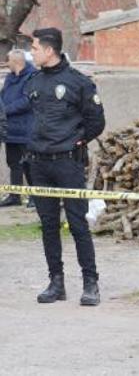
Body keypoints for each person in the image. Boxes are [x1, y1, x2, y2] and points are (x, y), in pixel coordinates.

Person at [25, 28, 105, 306]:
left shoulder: (78, 83)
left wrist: (76, 141)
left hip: (67, 163)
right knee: (48, 225)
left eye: (34, 48)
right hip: (39, 164)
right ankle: (56, 282)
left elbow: (96, 122)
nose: (31, 52)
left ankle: (90, 283)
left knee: (77, 224)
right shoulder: (33, 82)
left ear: (49, 50)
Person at [0, 49, 36, 207]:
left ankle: (36, 196)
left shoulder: (32, 76)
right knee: (13, 163)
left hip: (26, 129)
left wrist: (4, 111)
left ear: (16, 62)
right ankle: (15, 196)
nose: (7, 65)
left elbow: (27, 101)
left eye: (8, 62)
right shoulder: (9, 78)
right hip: (11, 130)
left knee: (30, 163)